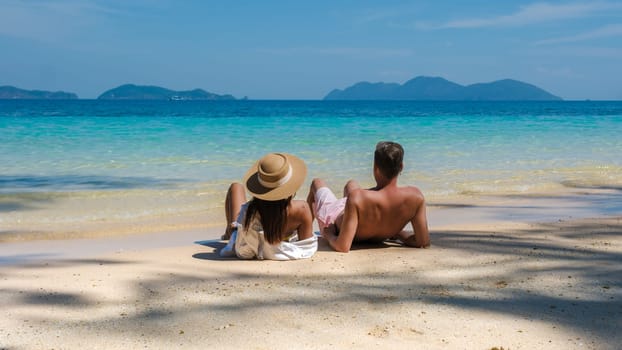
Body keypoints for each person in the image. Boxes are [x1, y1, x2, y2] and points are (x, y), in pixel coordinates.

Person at [307, 141, 430, 253]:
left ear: (375, 168)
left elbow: (342, 246)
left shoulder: (357, 198)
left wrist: (329, 234)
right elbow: (422, 242)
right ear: (401, 166)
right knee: (352, 184)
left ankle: (304, 233)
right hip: (370, 222)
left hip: (336, 222)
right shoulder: (416, 197)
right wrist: (397, 233)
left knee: (317, 182)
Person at [219, 153, 317, 260]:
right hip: (277, 245)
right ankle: (229, 232)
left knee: (236, 187)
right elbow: (306, 245)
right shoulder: (301, 209)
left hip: (248, 249)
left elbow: (243, 230)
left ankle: (228, 233)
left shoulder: (249, 210)